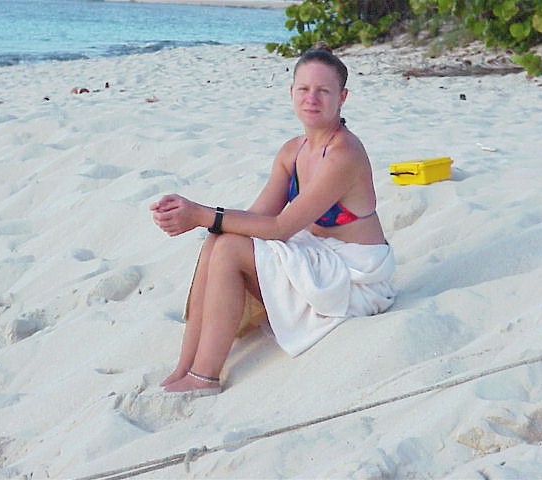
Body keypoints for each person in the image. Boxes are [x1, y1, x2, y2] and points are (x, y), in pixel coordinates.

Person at [150, 43, 396, 395]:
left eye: (323, 91)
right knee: (219, 240)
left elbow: (280, 228)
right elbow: (255, 219)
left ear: (342, 97)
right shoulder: (292, 151)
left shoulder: (344, 153)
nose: (312, 98)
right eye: (304, 89)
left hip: (356, 277)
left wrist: (200, 214)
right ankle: (185, 366)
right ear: (291, 93)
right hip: (318, 256)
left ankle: (204, 377)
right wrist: (199, 219)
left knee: (229, 245)